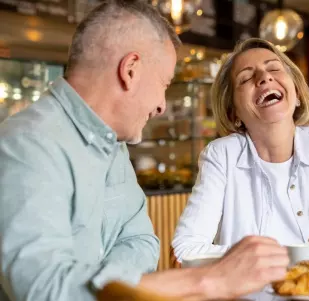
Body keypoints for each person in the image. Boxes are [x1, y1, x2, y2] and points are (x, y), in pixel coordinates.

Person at [0, 3, 290, 301]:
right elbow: (42, 289)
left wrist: (95, 283)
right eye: (164, 83)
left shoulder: (113, 146)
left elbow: (142, 242)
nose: (163, 105)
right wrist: (207, 280)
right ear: (131, 70)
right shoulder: (26, 142)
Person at [172, 38, 309, 285]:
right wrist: (276, 259)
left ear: (297, 93)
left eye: (274, 68)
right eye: (246, 78)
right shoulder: (221, 156)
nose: (264, 78)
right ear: (233, 113)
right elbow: (186, 249)